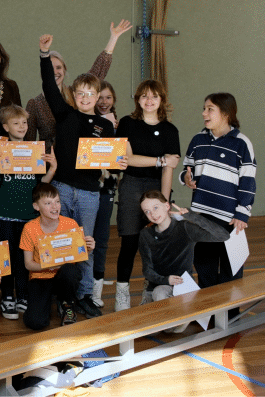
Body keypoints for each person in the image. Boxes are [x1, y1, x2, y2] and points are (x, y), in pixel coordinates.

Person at [38, 33, 128, 319]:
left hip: (90, 192)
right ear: (74, 96)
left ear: (98, 96)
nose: (86, 98)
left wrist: (119, 163)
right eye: (81, 94)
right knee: (63, 241)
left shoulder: (106, 124)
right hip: (63, 189)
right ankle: (64, 295)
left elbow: (109, 163)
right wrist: (44, 54)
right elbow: (48, 86)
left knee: (86, 242)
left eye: (92, 94)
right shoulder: (64, 114)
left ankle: (85, 295)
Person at [112, 80, 181, 311]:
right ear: (138, 99)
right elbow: (128, 159)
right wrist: (160, 160)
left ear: (162, 100)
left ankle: (149, 291)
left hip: (157, 186)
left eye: (154, 97)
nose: (149, 101)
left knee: (155, 243)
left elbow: (169, 168)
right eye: (144, 96)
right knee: (130, 242)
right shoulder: (127, 123)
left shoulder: (171, 130)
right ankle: (122, 293)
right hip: (131, 184)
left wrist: (163, 201)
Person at [0, 105, 57, 320]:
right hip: (5, 213)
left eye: (24, 123)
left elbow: (39, 185)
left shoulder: (34, 151)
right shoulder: (0, 149)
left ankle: (23, 295)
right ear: (6, 126)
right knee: (7, 256)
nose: (22, 127)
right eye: (16, 123)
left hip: (28, 215)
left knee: (24, 256)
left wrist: (52, 169)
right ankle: (7, 296)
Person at [182, 93, 255, 289]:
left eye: (209, 109)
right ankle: (209, 313)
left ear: (226, 113)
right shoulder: (198, 139)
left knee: (231, 268)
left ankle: (230, 316)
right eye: (204, 108)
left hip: (230, 218)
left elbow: (248, 181)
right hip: (202, 216)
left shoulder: (242, 143)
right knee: (205, 264)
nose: (204, 113)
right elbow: (186, 168)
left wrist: (242, 213)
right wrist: (186, 179)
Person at [26, 21, 132, 147]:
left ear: (64, 70)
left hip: (82, 154)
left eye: (58, 67)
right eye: (50, 68)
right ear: (44, 72)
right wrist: (44, 52)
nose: (55, 72)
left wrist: (113, 38)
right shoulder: (35, 103)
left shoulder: (75, 94)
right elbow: (29, 142)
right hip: (50, 161)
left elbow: (98, 71)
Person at [138, 190, 230, 332]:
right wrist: (166, 280)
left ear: (167, 206)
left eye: (156, 207)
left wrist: (192, 216)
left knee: (168, 322)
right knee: (159, 293)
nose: (153, 214)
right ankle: (175, 317)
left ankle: (178, 317)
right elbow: (147, 270)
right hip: (160, 287)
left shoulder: (185, 228)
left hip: (184, 288)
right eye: (147, 211)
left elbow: (223, 235)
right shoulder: (146, 234)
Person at [20, 183, 95, 330]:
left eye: (57, 201)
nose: (54, 207)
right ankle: (48, 303)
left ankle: (67, 304)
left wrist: (89, 249)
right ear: (36, 206)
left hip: (64, 275)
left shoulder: (70, 224)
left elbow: (80, 255)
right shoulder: (29, 228)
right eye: (48, 203)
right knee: (35, 322)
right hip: (40, 277)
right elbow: (28, 264)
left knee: (70, 271)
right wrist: (52, 265)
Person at [90, 80, 120, 307]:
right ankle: (82, 285)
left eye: (107, 97)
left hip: (107, 189)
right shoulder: (87, 123)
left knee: (101, 239)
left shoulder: (120, 126)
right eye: (99, 97)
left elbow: (120, 163)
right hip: (86, 187)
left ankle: (97, 286)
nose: (103, 102)